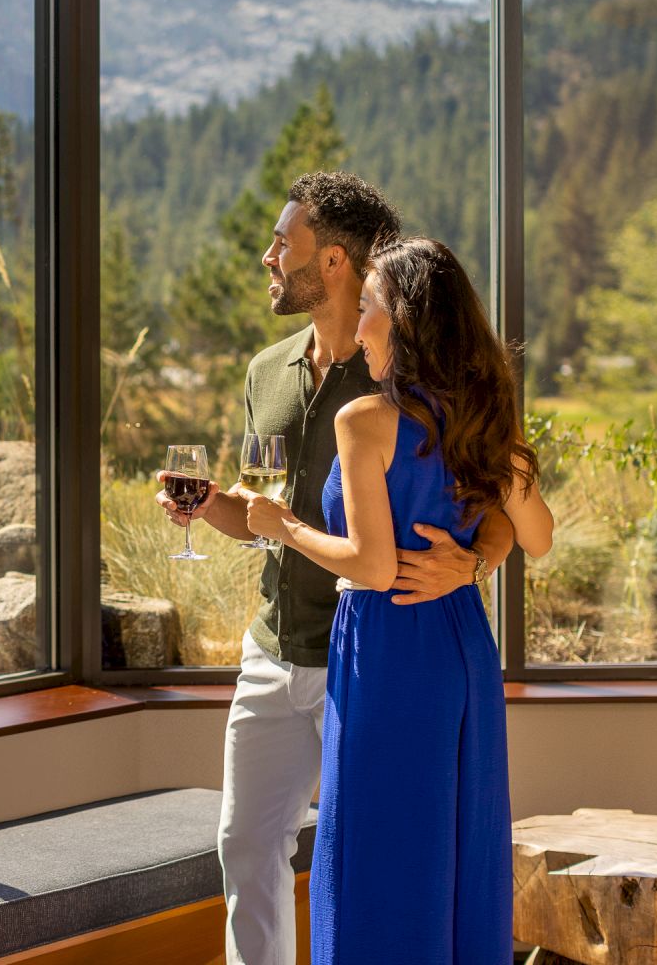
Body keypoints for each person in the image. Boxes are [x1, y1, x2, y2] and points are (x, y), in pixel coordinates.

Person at [159, 172, 517, 965]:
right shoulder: (267, 371)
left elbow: (494, 507)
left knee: (371, 849)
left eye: (283, 243)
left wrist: (473, 566)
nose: (266, 257)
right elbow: (269, 511)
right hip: (274, 644)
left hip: (359, 655)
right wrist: (214, 507)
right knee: (245, 845)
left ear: (332, 263)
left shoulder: (399, 377)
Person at [239, 236, 555, 962]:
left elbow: (374, 568)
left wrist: (280, 524)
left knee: (370, 843)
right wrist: (473, 558)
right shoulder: (482, 423)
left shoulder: (364, 420)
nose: (357, 322)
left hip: (384, 647)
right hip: (460, 650)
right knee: (454, 840)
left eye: (371, 304)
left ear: (405, 320)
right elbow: (534, 534)